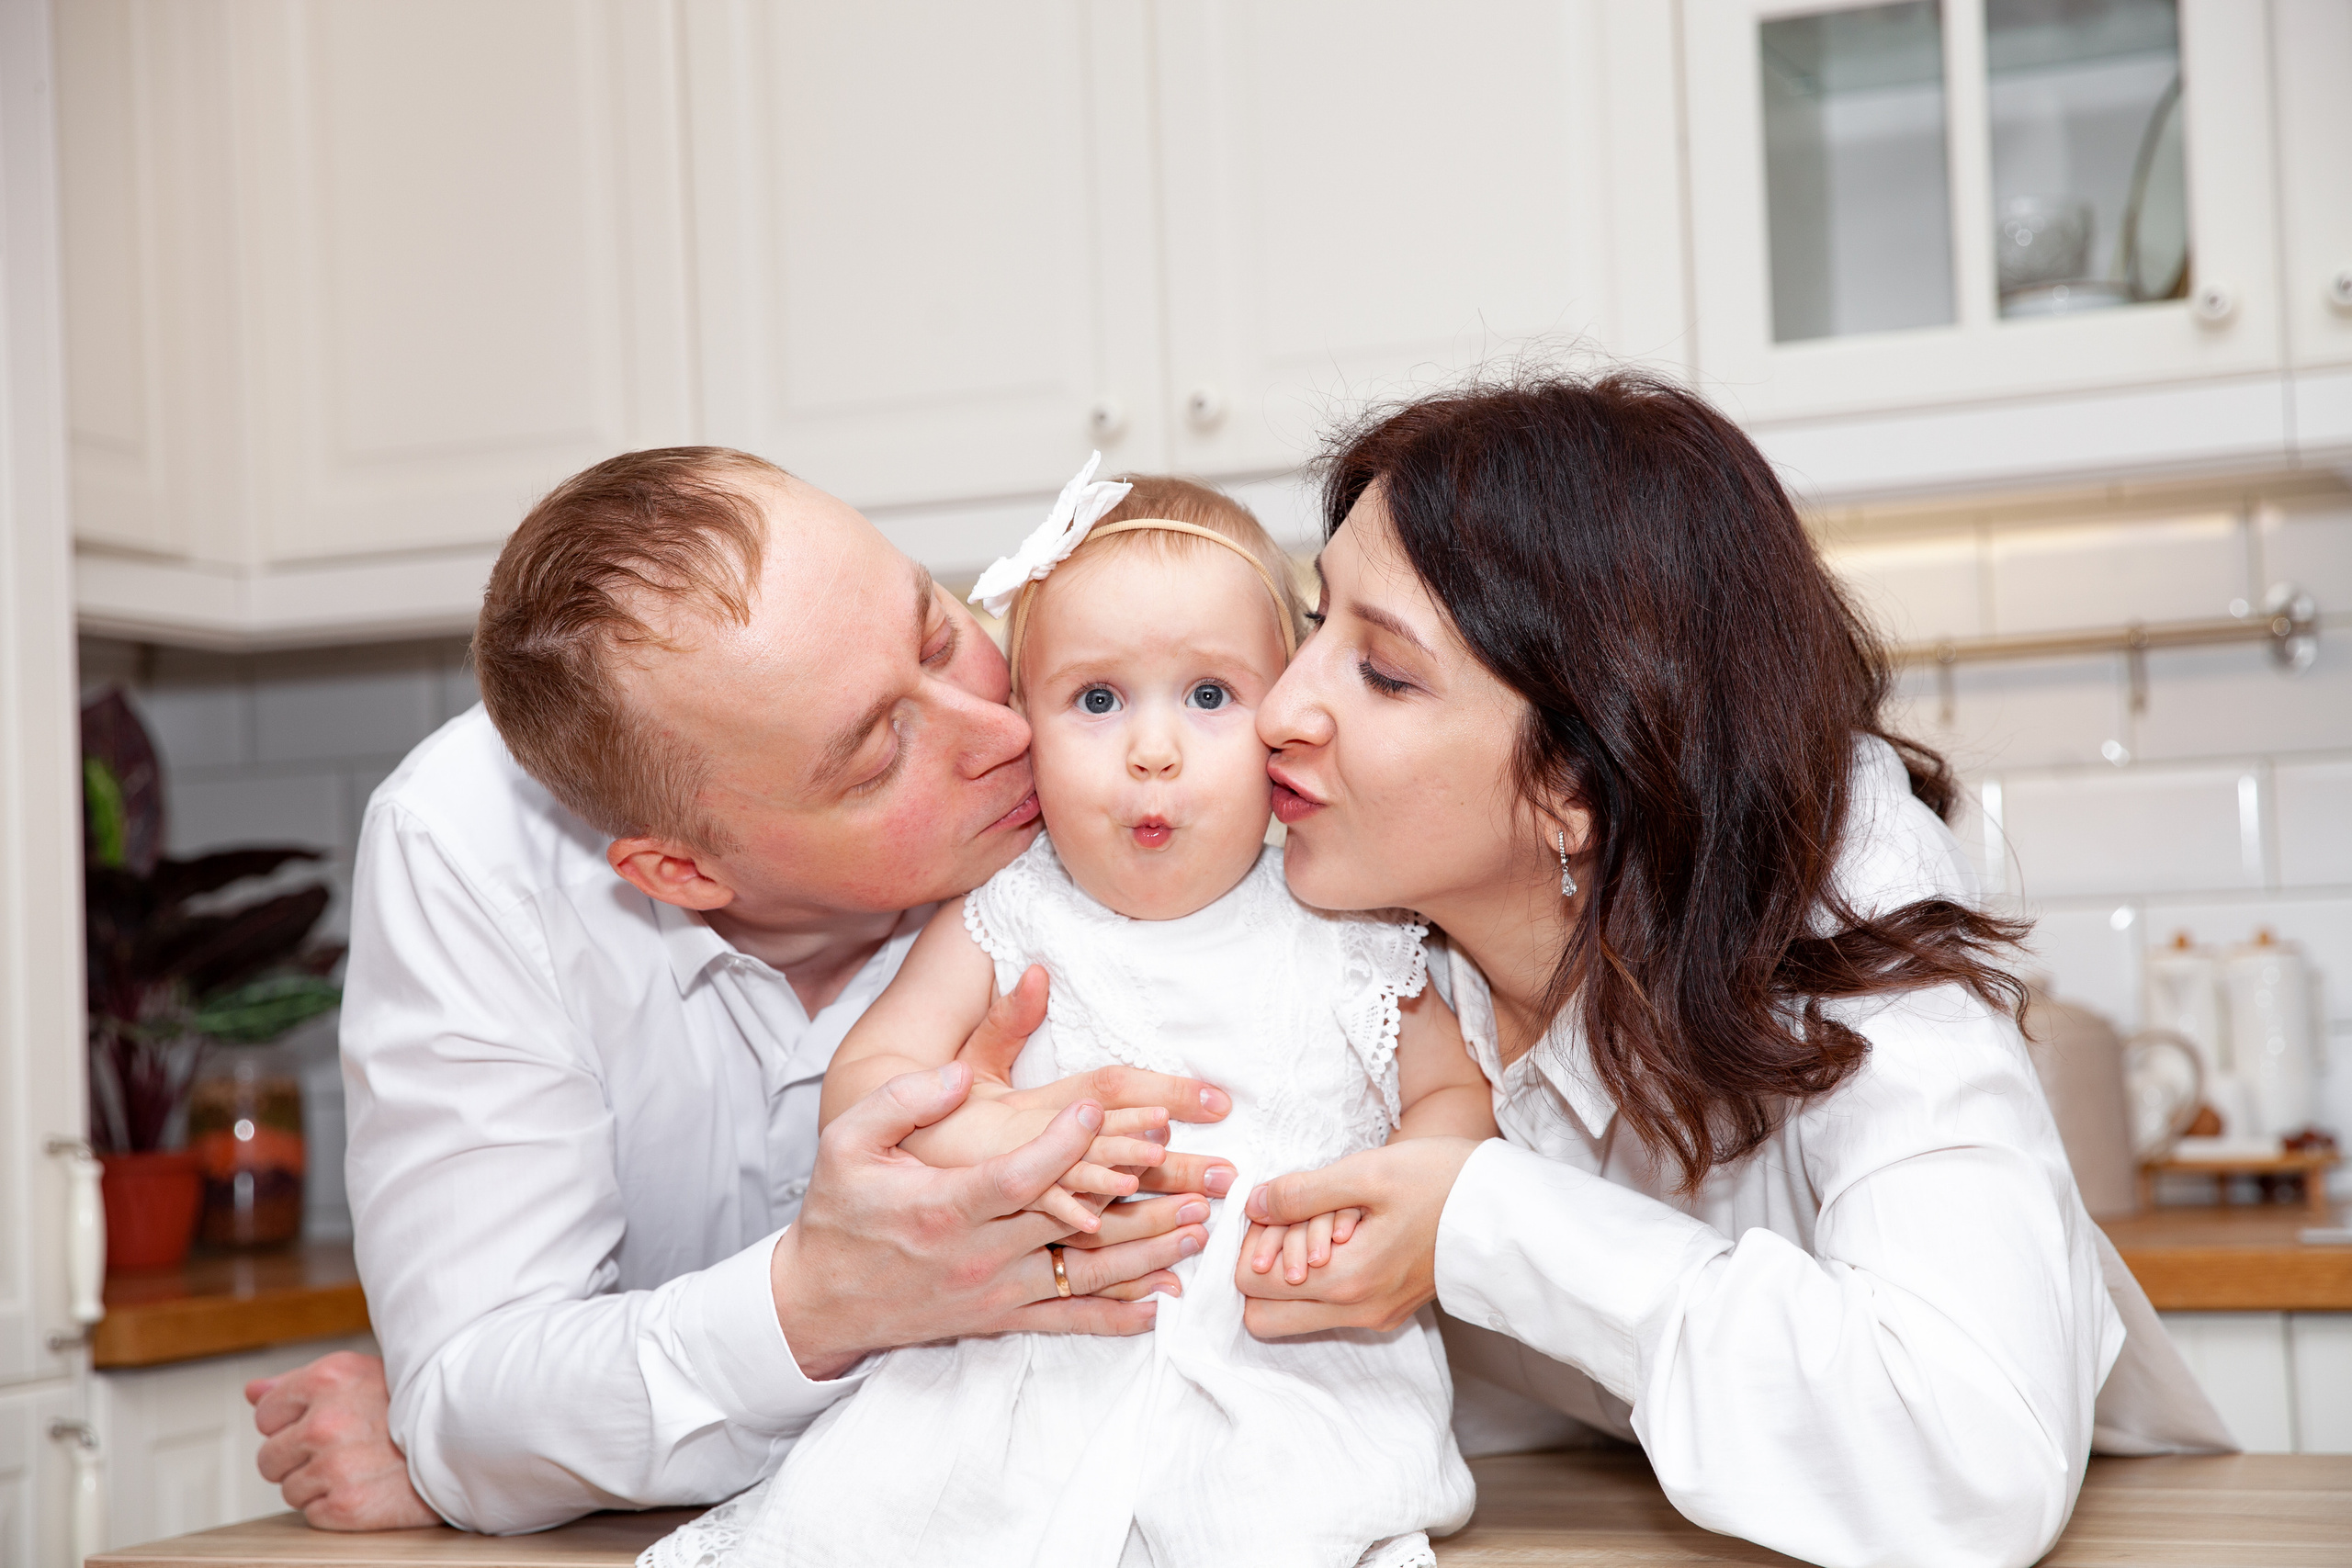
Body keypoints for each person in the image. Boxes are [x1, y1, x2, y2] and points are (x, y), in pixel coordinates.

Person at [1228, 374, 2233, 1568]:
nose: (1277, 707)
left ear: (1578, 787)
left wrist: (1480, 1216)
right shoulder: (1304, 893)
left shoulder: (1842, 875)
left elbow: (1971, 1458)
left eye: (1383, 672)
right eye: (1311, 621)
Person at [245, 448, 1240, 1533]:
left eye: (939, 631)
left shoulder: (1132, 769)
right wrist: (822, 1302)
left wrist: (529, 1456)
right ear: (682, 873)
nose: (1006, 735)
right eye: (876, 757)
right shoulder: (474, 846)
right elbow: (478, 1399)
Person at [646, 468, 1489, 1568]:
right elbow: (867, 1083)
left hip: (1281, 1361)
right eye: (1097, 701)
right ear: (1024, 727)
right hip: (1026, 1366)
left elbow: (1455, 1092)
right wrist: (970, 1125)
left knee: (1290, 1528)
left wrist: (1405, 1199)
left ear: (1285, 709)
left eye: (1209, 696)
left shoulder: (1344, 915)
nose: (1152, 750)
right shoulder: (1010, 910)